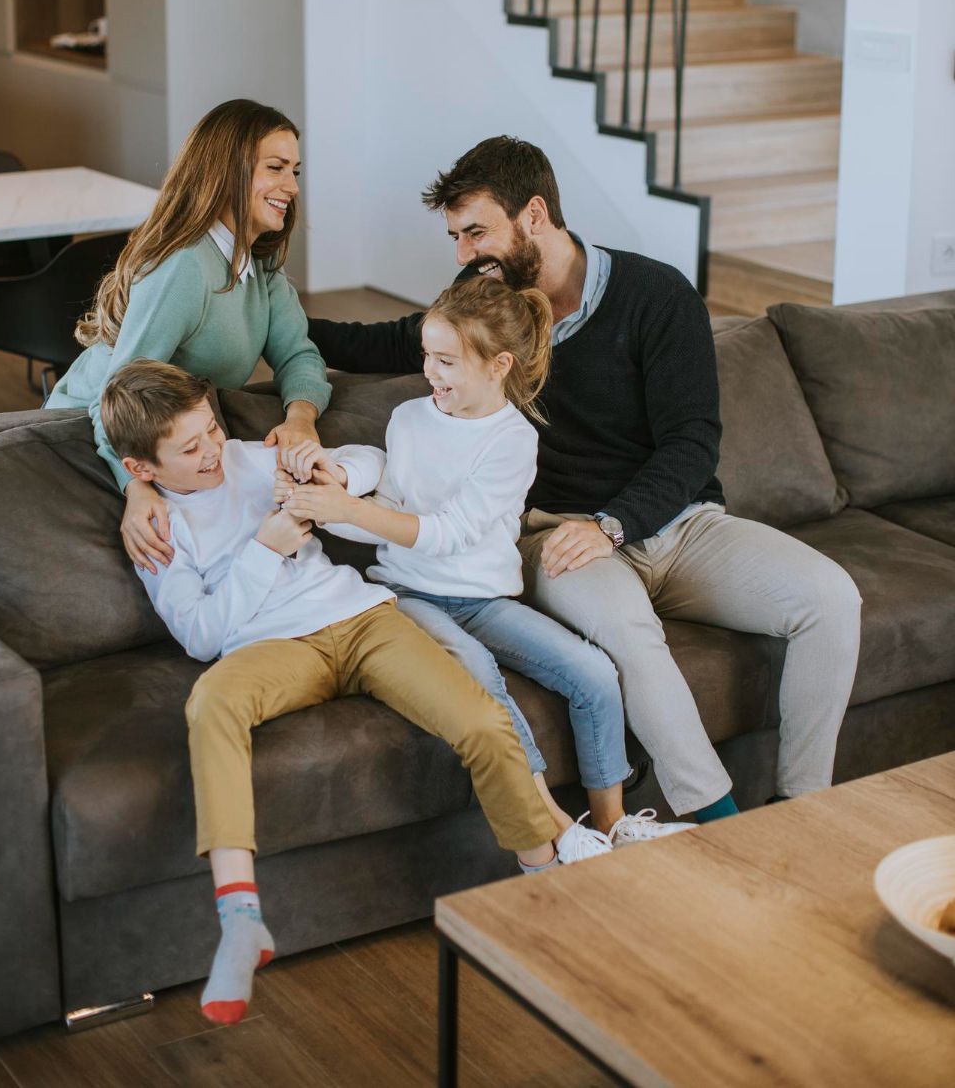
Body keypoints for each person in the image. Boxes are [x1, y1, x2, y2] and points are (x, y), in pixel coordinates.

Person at [306, 137, 863, 822]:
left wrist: (616, 525)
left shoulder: (656, 295)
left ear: (534, 214)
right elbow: (379, 342)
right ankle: (715, 819)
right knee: (625, 631)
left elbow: (692, 443)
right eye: (455, 235)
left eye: (475, 231)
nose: (462, 253)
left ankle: (801, 811)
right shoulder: (486, 315)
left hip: (675, 525)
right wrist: (274, 329)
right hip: (553, 537)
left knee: (831, 599)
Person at [100, 360, 607, 1026]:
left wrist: (329, 473)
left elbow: (369, 459)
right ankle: (241, 918)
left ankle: (544, 886)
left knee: (482, 720)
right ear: (143, 470)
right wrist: (264, 548)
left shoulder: (253, 461)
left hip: (363, 621)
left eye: (212, 431)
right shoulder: (160, 529)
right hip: (273, 650)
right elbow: (199, 636)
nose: (212, 452)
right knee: (210, 704)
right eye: (190, 449)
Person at [284, 276, 693, 847]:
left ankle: (612, 823)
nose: (431, 372)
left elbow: (448, 534)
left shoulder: (513, 439)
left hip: (485, 599)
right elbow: (394, 502)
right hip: (406, 594)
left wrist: (347, 504)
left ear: (499, 365)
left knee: (595, 674)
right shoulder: (408, 417)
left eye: (447, 361)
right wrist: (336, 492)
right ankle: (557, 828)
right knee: (478, 674)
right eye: (428, 355)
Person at [47, 99, 330, 573]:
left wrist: (301, 416)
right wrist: (135, 487)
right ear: (227, 172)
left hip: (165, 446)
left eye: (295, 170)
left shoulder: (258, 266)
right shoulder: (184, 268)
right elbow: (116, 396)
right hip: (95, 436)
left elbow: (299, 355)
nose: (292, 187)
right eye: (276, 168)